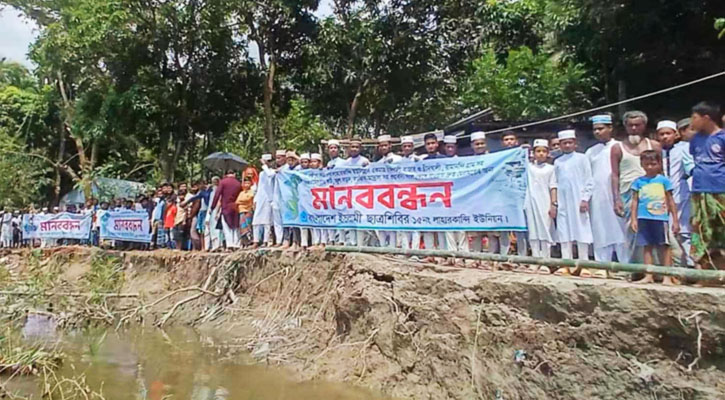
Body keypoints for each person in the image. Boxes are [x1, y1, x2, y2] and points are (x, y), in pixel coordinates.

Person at [611, 111, 661, 262]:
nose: (634, 128)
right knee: (632, 231)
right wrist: (617, 199)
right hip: (628, 195)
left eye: (637, 125)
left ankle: (656, 267)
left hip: (652, 194)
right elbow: (615, 174)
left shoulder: (654, 145)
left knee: (654, 230)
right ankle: (635, 267)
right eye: (630, 125)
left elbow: (662, 171)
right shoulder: (617, 148)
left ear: (644, 126)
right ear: (625, 126)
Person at [630, 150, 680, 284]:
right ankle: (648, 275)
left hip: (660, 218)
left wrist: (675, 220)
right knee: (647, 246)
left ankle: (667, 276)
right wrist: (634, 219)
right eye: (646, 164)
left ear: (659, 164)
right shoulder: (638, 182)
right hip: (644, 218)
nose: (650, 167)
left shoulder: (664, 181)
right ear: (642, 165)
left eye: (653, 164)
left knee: (665, 246)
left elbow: (670, 200)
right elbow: (635, 201)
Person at [585, 114, 628, 271]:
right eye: (595, 129)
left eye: (601, 129)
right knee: (600, 230)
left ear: (610, 128)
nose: (597, 132)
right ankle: (601, 266)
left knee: (620, 230)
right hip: (597, 197)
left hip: (617, 195)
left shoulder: (621, 147)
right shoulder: (590, 152)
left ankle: (625, 267)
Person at [688, 101, 725, 269]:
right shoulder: (695, 139)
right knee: (700, 229)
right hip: (699, 189)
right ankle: (703, 271)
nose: (691, 122)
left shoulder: (722, 138)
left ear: (706, 118)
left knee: (721, 228)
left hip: (720, 189)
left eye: (694, 118)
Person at [554, 130, 594, 275]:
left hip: (579, 200)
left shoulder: (582, 159)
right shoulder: (557, 162)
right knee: (564, 233)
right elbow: (556, 183)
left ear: (575, 144)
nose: (567, 145)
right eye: (564, 143)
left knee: (581, 230)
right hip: (563, 202)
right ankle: (566, 264)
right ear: (560, 145)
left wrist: (585, 199)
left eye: (570, 142)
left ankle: (584, 264)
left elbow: (589, 180)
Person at [658, 120, 694, 267]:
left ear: (676, 134)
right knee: (665, 234)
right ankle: (672, 267)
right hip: (660, 199)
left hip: (682, 195)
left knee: (685, 232)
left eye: (668, 133)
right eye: (662, 134)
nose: (665, 137)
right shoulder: (656, 151)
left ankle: (691, 264)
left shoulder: (685, 148)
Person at [525, 139, 558, 272]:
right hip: (530, 202)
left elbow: (553, 186)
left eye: (544, 151)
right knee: (533, 232)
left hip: (545, 202)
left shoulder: (551, 169)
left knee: (545, 230)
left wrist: (553, 204)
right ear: (533, 153)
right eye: (538, 151)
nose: (541, 154)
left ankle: (545, 261)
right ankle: (535, 260)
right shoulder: (528, 167)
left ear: (548, 153)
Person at [441, 135, 468, 265]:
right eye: (448, 147)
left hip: (460, 198)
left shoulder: (461, 162)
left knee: (461, 229)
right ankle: (451, 256)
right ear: (444, 148)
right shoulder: (440, 163)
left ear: (456, 148)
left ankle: (462, 257)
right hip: (445, 198)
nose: (450, 149)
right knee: (448, 228)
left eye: (452, 147)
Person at [420, 133, 446, 263]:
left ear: (437, 144)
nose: (430, 146)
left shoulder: (445, 160)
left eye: (432, 143)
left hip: (442, 198)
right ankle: (429, 254)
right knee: (428, 227)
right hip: (427, 198)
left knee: (441, 227)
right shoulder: (422, 163)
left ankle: (442, 255)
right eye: (428, 144)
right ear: (425, 146)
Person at [341, 137, 370, 247]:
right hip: (348, 194)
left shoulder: (365, 161)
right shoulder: (345, 163)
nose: (354, 149)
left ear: (360, 149)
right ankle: (352, 242)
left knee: (360, 218)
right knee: (350, 219)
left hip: (361, 195)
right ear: (349, 148)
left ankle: (360, 243)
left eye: (356, 147)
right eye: (352, 147)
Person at [374, 135, 402, 248]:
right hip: (382, 197)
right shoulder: (378, 163)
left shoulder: (399, 160)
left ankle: (394, 247)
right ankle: (383, 247)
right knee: (382, 221)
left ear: (390, 146)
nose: (384, 148)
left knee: (394, 222)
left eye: (385, 145)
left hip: (396, 195)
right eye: (381, 146)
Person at [466, 131, 489, 262]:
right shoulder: (468, 162)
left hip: (491, 199)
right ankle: (476, 259)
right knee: (475, 232)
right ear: (472, 145)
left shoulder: (495, 158)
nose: (479, 146)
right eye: (477, 144)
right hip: (474, 200)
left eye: (482, 143)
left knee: (492, 232)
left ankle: (490, 260)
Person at [399, 135, 421, 252]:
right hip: (402, 197)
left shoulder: (419, 160)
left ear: (413, 147)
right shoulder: (398, 162)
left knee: (415, 226)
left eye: (409, 146)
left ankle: (415, 252)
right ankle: (405, 250)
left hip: (416, 196)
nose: (407, 148)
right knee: (403, 226)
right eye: (405, 146)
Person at [211, 170, 243, 250]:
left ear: (226, 174)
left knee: (226, 226)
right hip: (236, 206)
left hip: (226, 206)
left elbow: (217, 194)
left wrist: (213, 206)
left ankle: (230, 244)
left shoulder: (223, 182)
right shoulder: (238, 183)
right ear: (234, 174)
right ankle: (237, 244)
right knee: (235, 225)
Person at [252, 155, 276, 248]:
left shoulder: (272, 172)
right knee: (256, 221)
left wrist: (265, 165)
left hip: (269, 199)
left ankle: (265, 241)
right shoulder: (262, 173)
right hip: (261, 198)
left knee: (267, 221)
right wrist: (255, 200)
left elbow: (270, 175)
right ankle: (256, 240)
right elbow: (259, 188)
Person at [282, 151, 301, 249]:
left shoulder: (299, 168)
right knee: (288, 220)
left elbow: (302, 161)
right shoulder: (285, 169)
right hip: (287, 198)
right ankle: (287, 241)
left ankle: (296, 242)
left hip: (298, 198)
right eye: (288, 159)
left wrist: (294, 155)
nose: (290, 161)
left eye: (292, 159)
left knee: (297, 221)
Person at [309, 153, 326, 248]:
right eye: (311, 162)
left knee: (322, 220)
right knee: (314, 221)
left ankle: (324, 241)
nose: (312, 164)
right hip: (312, 199)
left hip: (322, 198)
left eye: (314, 161)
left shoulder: (324, 172)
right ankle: (316, 241)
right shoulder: (308, 173)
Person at [236, 177, 255, 247]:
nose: (246, 185)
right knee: (242, 226)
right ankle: (245, 242)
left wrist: (242, 201)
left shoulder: (252, 191)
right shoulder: (241, 193)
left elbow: (249, 198)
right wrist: (243, 201)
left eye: (248, 183)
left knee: (248, 225)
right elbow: (237, 201)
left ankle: (251, 241)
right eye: (245, 183)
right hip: (241, 211)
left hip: (248, 210)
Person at [206, 176, 223, 251]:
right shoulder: (211, 191)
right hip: (211, 211)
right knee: (212, 228)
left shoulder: (219, 191)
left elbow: (219, 201)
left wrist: (218, 211)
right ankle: (214, 245)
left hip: (217, 210)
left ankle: (219, 244)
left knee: (217, 229)